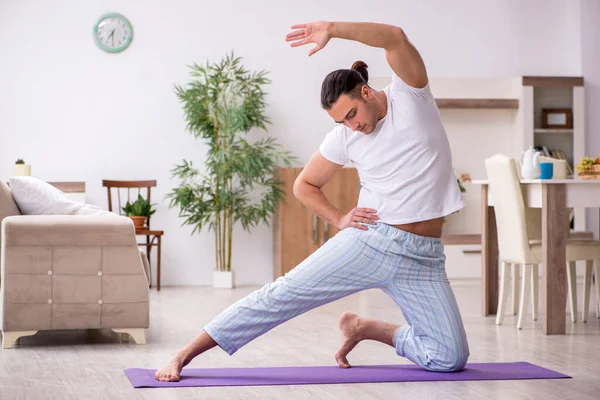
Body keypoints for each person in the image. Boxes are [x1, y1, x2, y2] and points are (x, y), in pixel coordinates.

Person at [155, 21, 469, 382]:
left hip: (424, 255)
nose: (352, 127)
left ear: (366, 93)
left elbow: (396, 37)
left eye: (351, 115)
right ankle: (184, 353)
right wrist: (338, 219)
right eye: (342, 122)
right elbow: (304, 185)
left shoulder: (411, 97)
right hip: (373, 241)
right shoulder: (344, 137)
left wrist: (333, 29)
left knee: (449, 358)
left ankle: (365, 327)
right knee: (282, 295)